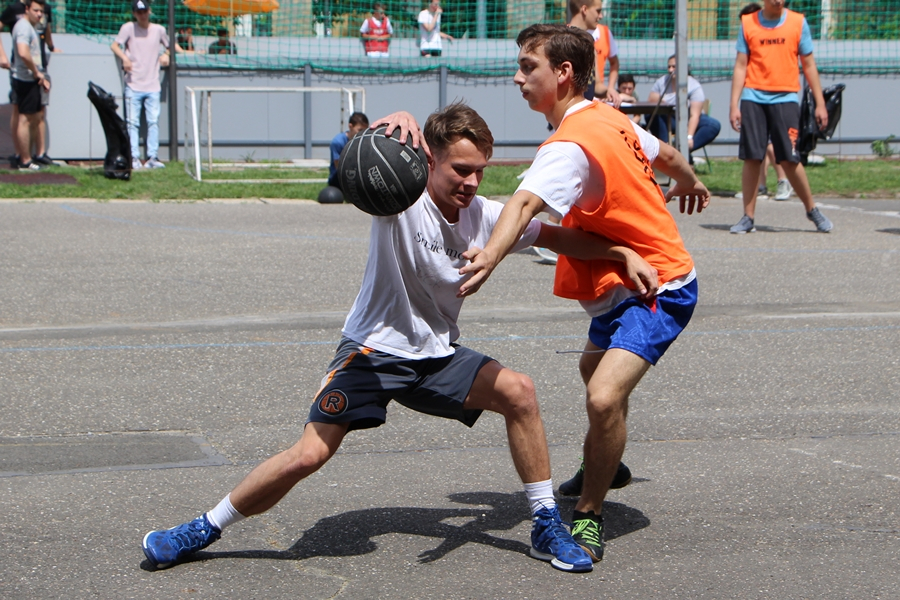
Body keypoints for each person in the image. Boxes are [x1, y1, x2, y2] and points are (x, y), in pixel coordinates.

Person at [140, 101, 661, 574]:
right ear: (429, 161)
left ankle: (546, 526)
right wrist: (400, 116)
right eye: (461, 169)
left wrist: (620, 254)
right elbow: (366, 162)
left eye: (481, 170)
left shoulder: (485, 217)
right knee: (308, 455)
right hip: (373, 351)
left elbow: (558, 235)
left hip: (436, 357)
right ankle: (203, 528)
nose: (473, 182)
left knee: (519, 392)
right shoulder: (398, 200)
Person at [457, 24, 709, 564]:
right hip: (621, 287)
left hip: (658, 286)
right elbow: (665, 154)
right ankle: (608, 461)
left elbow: (524, 205)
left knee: (602, 396)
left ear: (563, 73)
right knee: (592, 375)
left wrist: (489, 257)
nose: (518, 77)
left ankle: (590, 513)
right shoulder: (608, 118)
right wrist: (690, 181)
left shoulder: (569, 144)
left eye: (529, 67)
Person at [729, 0, 832, 234]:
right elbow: (741, 65)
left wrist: (820, 103)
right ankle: (748, 217)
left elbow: (809, 64)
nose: (778, 0)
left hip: (785, 97)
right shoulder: (748, 22)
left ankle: (811, 209)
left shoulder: (798, 22)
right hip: (753, 96)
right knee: (752, 156)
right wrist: (734, 104)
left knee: (789, 158)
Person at [111, 0, 172, 170]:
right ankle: (134, 157)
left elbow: (170, 47)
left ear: (149, 11)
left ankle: (153, 157)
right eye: (139, 12)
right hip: (133, 83)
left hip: (152, 84)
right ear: (134, 14)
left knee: (153, 122)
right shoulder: (128, 28)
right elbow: (115, 45)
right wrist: (125, 58)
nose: (142, 15)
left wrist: (166, 55)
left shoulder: (159, 30)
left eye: (144, 11)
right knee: (132, 123)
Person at [2, 0, 57, 168]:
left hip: (33, 75)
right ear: (27, 9)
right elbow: (23, 52)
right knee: (24, 117)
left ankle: (33, 155)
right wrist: (36, 72)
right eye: (36, 11)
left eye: (41, 11)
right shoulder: (22, 26)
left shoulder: (31, 25)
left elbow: (45, 31)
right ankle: (24, 159)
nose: (40, 14)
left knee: (36, 115)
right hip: (25, 77)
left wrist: (51, 47)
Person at [646, 54, 721, 160]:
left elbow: (695, 114)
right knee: (651, 114)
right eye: (669, 67)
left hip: (688, 118)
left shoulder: (693, 85)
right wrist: (664, 101)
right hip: (669, 118)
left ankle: (683, 151)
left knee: (713, 125)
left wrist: (689, 137)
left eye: (674, 67)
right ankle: (665, 148)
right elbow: (651, 98)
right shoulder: (662, 81)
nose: (671, 70)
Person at [567, 0, 620, 107]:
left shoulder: (590, 44)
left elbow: (595, 86)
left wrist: (609, 91)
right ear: (584, 9)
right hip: (567, 115)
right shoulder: (561, 41)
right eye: (598, 11)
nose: (600, 16)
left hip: (586, 111)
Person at [328, 111, 368, 187]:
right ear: (350, 126)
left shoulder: (365, 141)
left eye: (365, 130)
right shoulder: (338, 142)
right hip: (338, 179)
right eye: (360, 130)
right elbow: (339, 167)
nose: (363, 133)